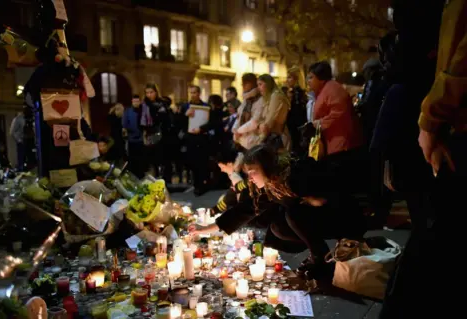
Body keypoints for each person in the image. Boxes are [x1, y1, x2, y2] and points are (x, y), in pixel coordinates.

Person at [380, 0, 467, 317]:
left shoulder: (403, 85)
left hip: (448, 126)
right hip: (446, 126)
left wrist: (432, 118)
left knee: (430, 249)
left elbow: (459, 60)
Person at [189, 144, 366, 279]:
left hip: (340, 215)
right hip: (316, 217)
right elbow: (243, 211)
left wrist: (316, 198)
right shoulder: (271, 186)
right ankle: (316, 254)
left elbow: (330, 191)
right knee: (276, 224)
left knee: (292, 213)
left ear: (266, 168)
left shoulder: (294, 176)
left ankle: (322, 259)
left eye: (253, 172)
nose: (249, 178)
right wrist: (204, 229)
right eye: (248, 172)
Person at [308, 61, 365, 191]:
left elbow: (338, 114)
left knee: (340, 181)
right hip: (334, 141)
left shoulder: (333, 90)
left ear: (320, 78)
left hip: (340, 142)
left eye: (311, 77)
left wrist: (318, 123)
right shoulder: (326, 89)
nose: (308, 81)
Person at [142, 83, 174, 181]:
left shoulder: (162, 103)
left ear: (156, 92)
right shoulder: (145, 105)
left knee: (165, 159)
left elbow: (168, 118)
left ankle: (166, 180)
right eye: (147, 93)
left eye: (151, 92)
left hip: (164, 134)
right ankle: (154, 179)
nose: (149, 95)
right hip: (151, 134)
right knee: (153, 159)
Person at [183, 85, 210, 195]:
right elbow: (179, 122)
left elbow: (209, 123)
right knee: (192, 162)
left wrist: (201, 129)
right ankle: (195, 183)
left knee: (202, 162)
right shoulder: (186, 106)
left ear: (199, 93)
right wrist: (185, 115)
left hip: (201, 137)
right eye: (191, 92)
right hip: (190, 138)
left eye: (195, 92)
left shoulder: (205, 106)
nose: (193, 94)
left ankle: (201, 185)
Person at [257, 74, 291, 151]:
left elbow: (270, 120)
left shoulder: (276, 95)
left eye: (260, 84)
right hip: (273, 136)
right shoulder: (270, 97)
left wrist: (260, 139)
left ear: (268, 83)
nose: (258, 88)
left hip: (277, 138)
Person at [232, 73, 264, 152]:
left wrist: (238, 131)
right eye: (243, 83)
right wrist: (235, 130)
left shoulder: (261, 100)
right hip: (242, 140)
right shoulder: (246, 101)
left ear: (253, 83)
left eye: (246, 83)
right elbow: (239, 117)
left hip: (254, 142)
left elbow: (254, 122)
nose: (243, 86)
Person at [286, 67, 308, 155]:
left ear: (296, 79)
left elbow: (296, 112)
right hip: (297, 126)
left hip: (295, 127)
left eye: (289, 77)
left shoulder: (296, 93)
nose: (287, 80)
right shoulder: (297, 92)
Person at [122, 94, 145, 178]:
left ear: (140, 101)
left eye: (137, 101)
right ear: (132, 102)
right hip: (132, 139)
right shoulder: (128, 111)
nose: (136, 103)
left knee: (141, 160)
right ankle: (133, 176)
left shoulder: (143, 111)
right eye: (134, 101)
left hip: (141, 139)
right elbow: (124, 124)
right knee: (132, 159)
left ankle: (141, 176)